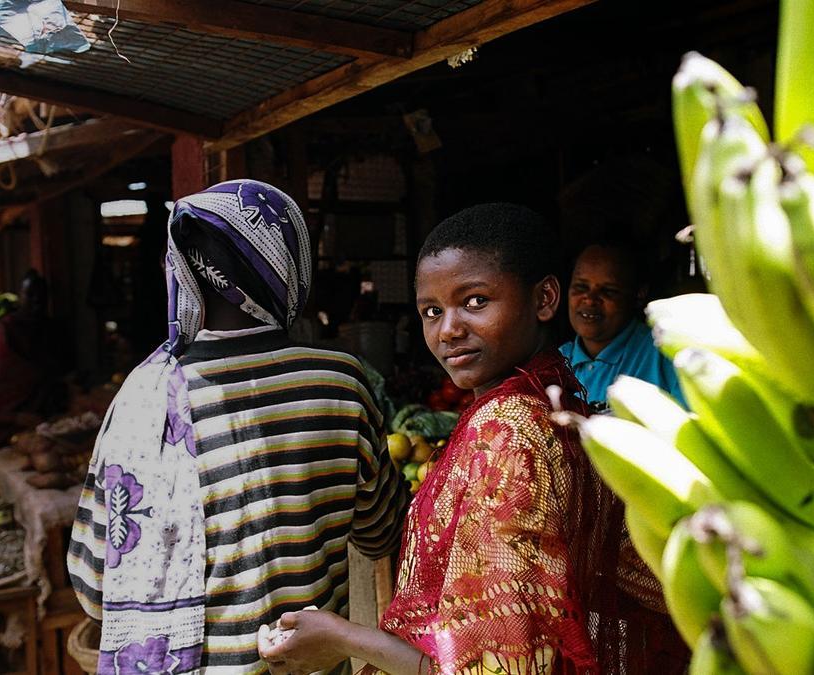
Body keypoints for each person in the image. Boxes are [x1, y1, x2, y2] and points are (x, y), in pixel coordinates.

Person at [258, 204, 684, 674]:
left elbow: (492, 668)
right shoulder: (551, 405)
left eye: (476, 301)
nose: (449, 329)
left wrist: (342, 637)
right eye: (432, 311)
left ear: (544, 299)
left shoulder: (507, 430)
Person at [67, 179, 409, 674]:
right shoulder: (340, 383)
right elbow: (382, 533)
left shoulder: (143, 400)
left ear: (186, 273)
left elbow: (94, 583)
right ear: (290, 266)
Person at [560, 242, 684, 411]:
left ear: (638, 295)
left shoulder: (668, 355)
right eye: (581, 286)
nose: (589, 299)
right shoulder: (555, 363)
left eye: (608, 291)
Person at [0, 270, 68, 450]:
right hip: (12, 406)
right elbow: (15, 370)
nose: (37, 300)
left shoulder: (50, 327)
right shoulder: (10, 326)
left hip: (42, 406)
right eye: (30, 295)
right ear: (21, 296)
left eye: (41, 296)